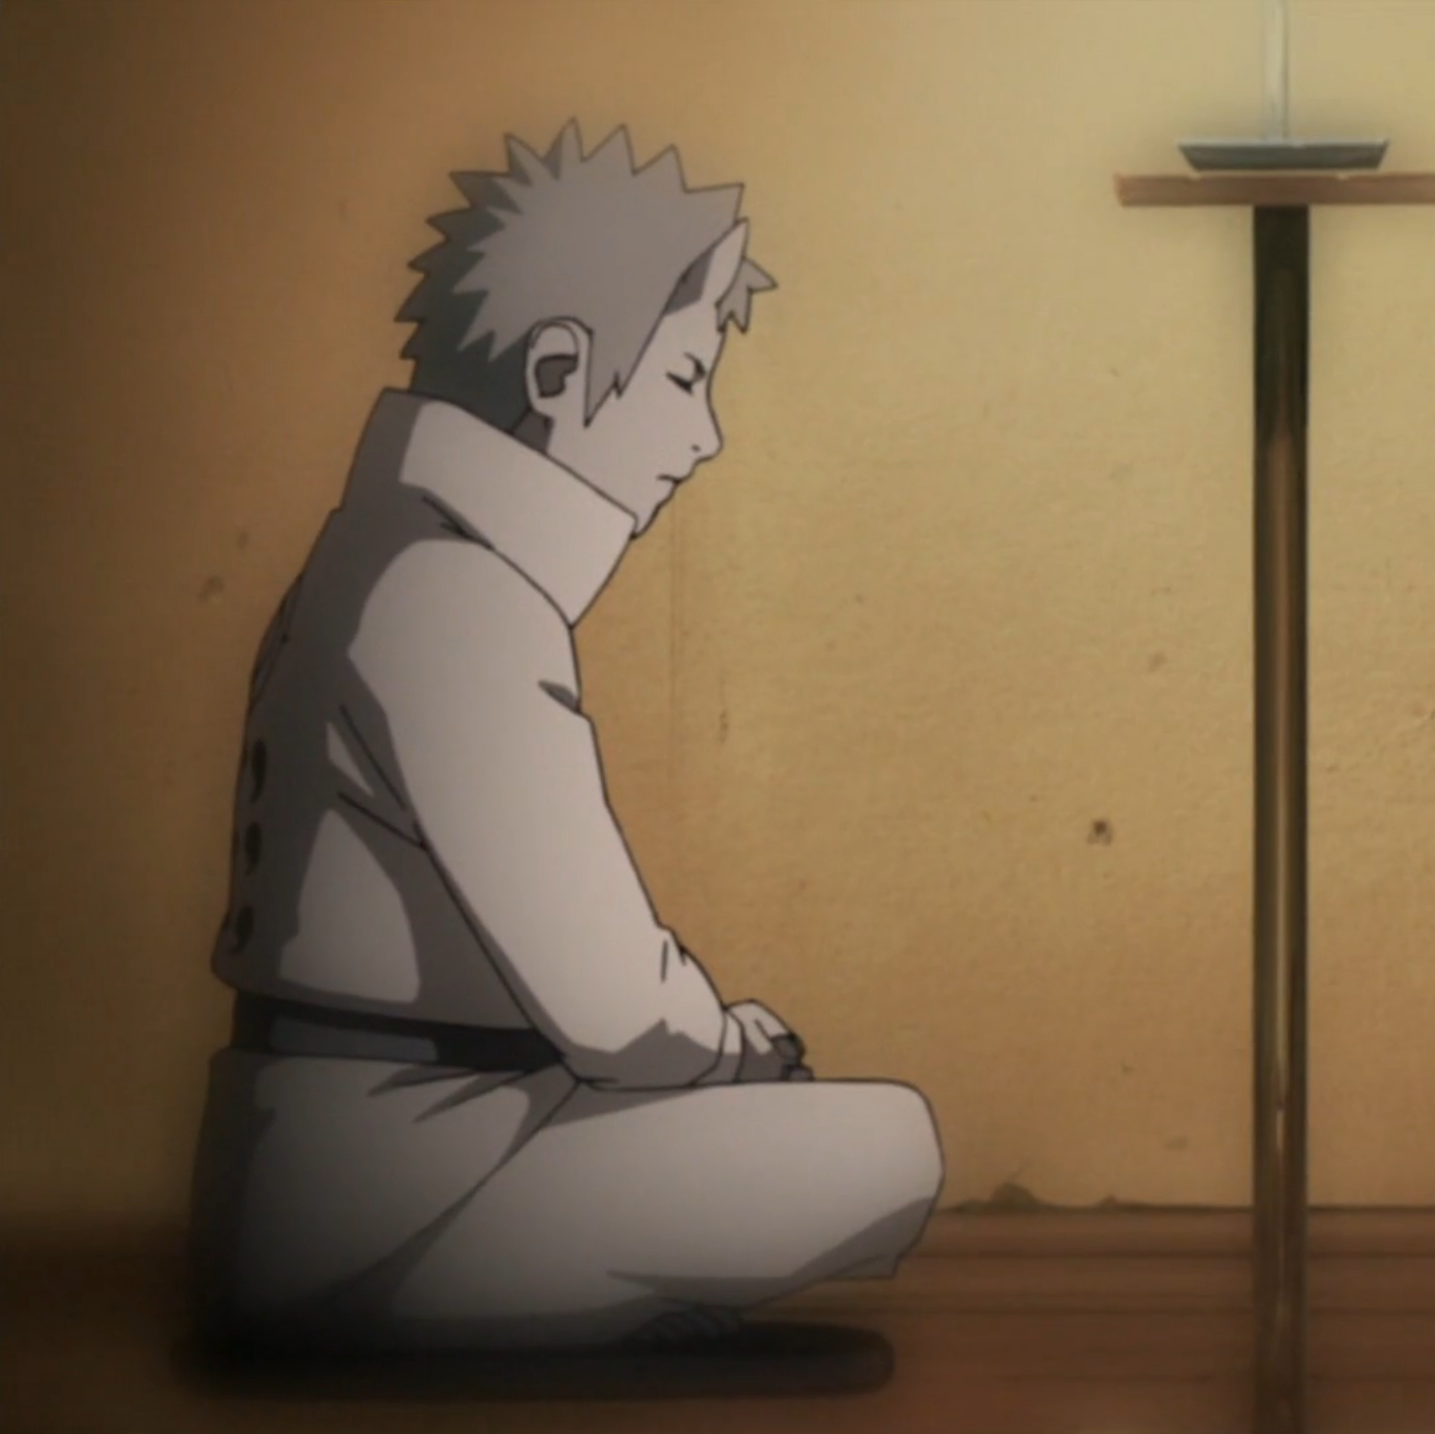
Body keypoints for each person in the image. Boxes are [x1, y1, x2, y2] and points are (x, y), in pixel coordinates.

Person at [187, 123, 944, 1360]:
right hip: (388, 1209)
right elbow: (615, 1008)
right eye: (683, 379)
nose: (704, 436)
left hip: (360, 1162)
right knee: (893, 1147)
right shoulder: (454, 597)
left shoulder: (380, 557)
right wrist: (733, 1052)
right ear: (556, 372)